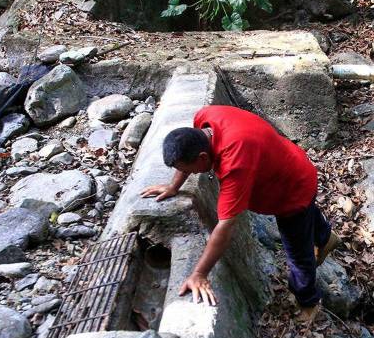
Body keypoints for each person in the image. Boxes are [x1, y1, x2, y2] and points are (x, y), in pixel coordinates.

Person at [141, 105, 339, 321]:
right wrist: (173, 187)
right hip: (292, 164)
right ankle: (325, 238)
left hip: (292, 190)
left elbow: (225, 226)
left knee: (298, 253)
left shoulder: (234, 163)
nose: (189, 173)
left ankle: (308, 302)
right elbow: (188, 155)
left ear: (203, 157)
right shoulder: (205, 118)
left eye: (189, 170)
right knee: (306, 214)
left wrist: (199, 274)